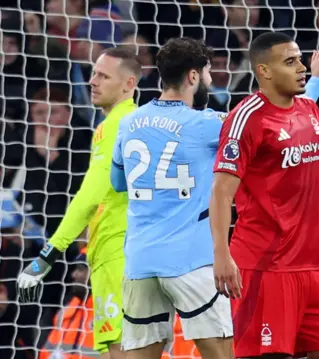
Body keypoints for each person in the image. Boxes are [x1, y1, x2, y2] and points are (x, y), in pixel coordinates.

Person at [210, 32, 319, 359]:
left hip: (312, 267)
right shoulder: (245, 119)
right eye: (290, 62)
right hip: (263, 268)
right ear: (265, 71)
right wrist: (221, 254)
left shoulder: (309, 112)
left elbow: (315, 183)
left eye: (300, 59)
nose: (302, 67)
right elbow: (221, 192)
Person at [110, 37, 233, 359]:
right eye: (206, 73)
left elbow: (118, 183)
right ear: (193, 76)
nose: (208, 80)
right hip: (190, 261)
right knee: (220, 353)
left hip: (140, 261)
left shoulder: (128, 122)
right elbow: (269, 127)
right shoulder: (208, 124)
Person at [17, 47, 141, 359]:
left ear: (129, 84)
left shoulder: (115, 126)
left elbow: (89, 197)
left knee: (121, 349)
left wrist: (46, 256)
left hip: (117, 252)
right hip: (126, 249)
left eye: (103, 75)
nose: (93, 81)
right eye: (94, 73)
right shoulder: (134, 122)